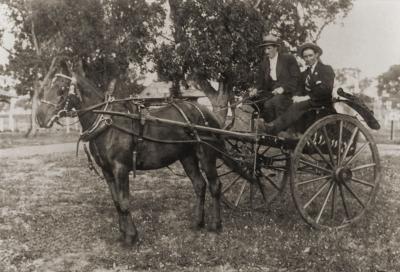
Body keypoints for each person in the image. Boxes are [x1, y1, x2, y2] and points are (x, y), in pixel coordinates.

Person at [264, 42, 335, 136]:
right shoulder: (304, 74)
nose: (308, 59)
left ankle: (275, 128)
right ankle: (285, 130)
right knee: (280, 100)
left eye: (310, 55)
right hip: (308, 102)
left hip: (320, 103)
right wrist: (295, 96)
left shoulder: (326, 69)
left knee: (299, 105)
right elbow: (299, 89)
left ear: (316, 55)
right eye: (305, 57)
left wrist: (305, 98)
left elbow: (325, 90)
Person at [249, 34, 300, 123]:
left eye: (269, 48)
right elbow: (260, 82)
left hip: (288, 94)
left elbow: (296, 79)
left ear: (276, 48)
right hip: (271, 94)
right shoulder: (264, 64)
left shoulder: (288, 59)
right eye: (265, 49)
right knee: (249, 100)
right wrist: (255, 89)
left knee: (271, 103)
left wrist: (283, 89)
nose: (266, 52)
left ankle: (279, 129)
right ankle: (261, 125)